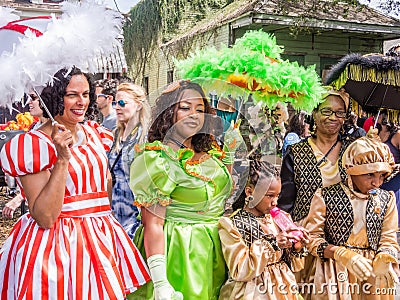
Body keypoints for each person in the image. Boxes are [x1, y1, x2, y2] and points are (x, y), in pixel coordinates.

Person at [0, 66, 150, 299]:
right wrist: (62, 159)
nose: (81, 102)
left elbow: (105, 187)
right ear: (54, 96)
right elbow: (45, 217)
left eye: (86, 94)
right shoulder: (33, 146)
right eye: (72, 95)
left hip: (100, 241)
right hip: (56, 252)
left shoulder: (95, 133)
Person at [129, 80, 233, 299]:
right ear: (170, 112)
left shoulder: (212, 152)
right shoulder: (157, 160)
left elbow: (221, 198)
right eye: (185, 108)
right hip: (177, 253)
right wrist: (160, 282)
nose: (194, 114)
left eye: (200, 109)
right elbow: (153, 224)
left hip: (214, 254)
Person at [304, 130, 399, 299]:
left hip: (371, 273)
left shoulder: (386, 199)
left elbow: (389, 237)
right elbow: (311, 238)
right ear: (352, 170)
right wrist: (340, 254)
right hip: (334, 273)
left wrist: (385, 256)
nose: (376, 183)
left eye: (382, 175)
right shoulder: (326, 196)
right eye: (369, 174)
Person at [278, 87, 352, 298]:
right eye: (327, 111)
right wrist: (288, 236)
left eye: (339, 113)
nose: (333, 118)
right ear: (315, 113)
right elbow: (285, 201)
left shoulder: (354, 149)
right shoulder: (297, 152)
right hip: (306, 239)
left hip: (344, 238)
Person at [218, 159, 309, 299]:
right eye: (269, 196)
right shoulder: (233, 224)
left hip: (283, 288)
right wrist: (272, 244)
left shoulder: (280, 218)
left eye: (278, 195)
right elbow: (239, 269)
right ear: (249, 192)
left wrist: (296, 247)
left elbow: (294, 266)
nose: (275, 202)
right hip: (251, 291)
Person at [108, 82, 151, 239]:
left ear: (139, 105)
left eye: (122, 103)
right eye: (115, 103)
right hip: (114, 215)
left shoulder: (145, 138)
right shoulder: (115, 136)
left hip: (135, 218)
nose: (117, 107)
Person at [2, 92, 49, 219]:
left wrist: (18, 198)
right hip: (32, 206)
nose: (29, 102)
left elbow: (49, 177)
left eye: (33, 98)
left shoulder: (56, 132)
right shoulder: (34, 127)